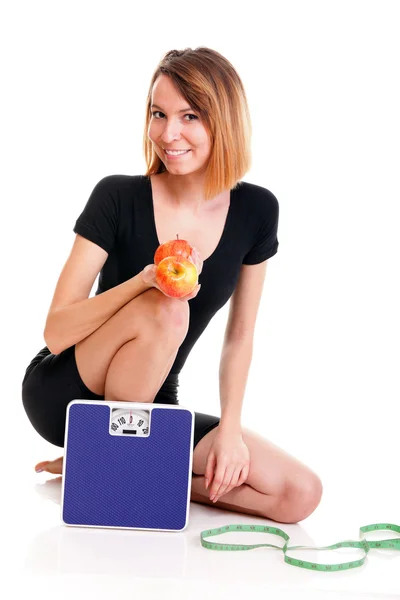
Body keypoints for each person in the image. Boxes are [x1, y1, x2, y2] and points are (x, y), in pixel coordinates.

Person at [22, 47, 323, 523]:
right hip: (67, 390)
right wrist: (142, 282)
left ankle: (105, 463)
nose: (169, 133)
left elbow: (240, 335)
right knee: (168, 307)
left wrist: (230, 430)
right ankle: (109, 457)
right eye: (158, 114)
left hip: (153, 399)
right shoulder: (117, 196)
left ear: (222, 121)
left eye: (190, 116)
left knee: (296, 494)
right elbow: (56, 332)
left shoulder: (257, 211)